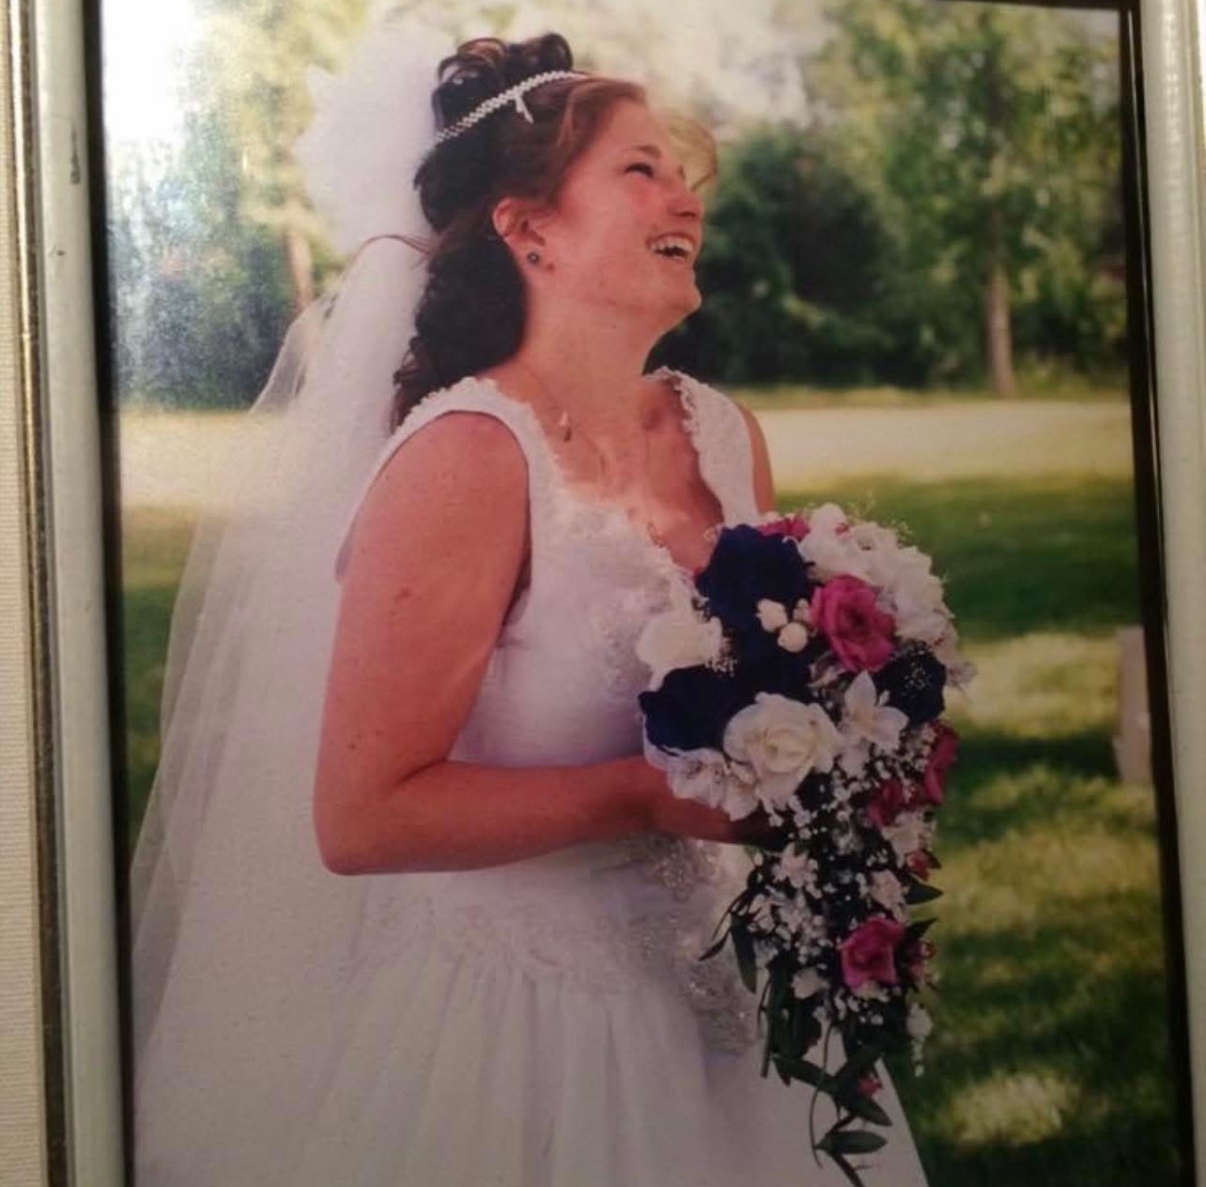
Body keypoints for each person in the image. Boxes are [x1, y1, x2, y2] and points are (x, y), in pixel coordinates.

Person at [131, 21, 930, 1187]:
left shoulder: (719, 433)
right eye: (640, 169)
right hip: (530, 1032)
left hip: (733, 1001)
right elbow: (363, 817)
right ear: (529, 229)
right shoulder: (466, 454)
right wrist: (640, 795)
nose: (686, 199)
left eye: (682, 172)